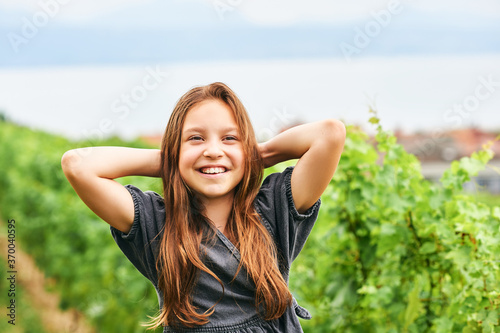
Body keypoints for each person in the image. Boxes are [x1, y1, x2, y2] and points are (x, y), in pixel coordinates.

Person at [61, 82, 345, 332]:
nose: (212, 150)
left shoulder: (273, 209)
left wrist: (257, 155)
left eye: (229, 138)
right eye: (196, 138)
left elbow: (330, 134)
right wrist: (174, 161)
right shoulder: (156, 224)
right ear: (175, 149)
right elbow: (78, 164)